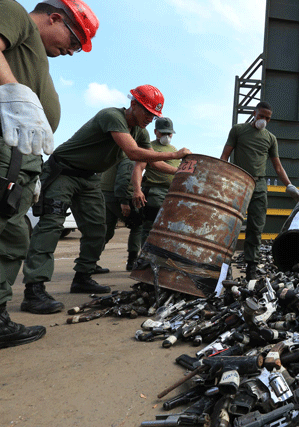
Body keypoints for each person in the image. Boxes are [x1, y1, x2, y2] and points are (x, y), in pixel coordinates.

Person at [20, 84, 192, 315]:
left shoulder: (140, 132)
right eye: (148, 112)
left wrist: (179, 170)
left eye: (154, 115)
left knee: (97, 229)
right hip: (64, 171)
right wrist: (174, 154)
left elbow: (149, 162)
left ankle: (82, 276)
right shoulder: (112, 116)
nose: (151, 119)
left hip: (89, 179)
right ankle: (34, 290)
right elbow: (133, 153)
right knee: (52, 225)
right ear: (134, 105)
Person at [0, 0, 98, 348]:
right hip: (7, 147)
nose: (71, 52)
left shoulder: (31, 51)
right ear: (56, 17)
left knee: (12, 234)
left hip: (21, 155)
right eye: (73, 42)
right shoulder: (13, 13)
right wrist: (13, 91)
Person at [220, 101, 299, 280]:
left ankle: (251, 269)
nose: (264, 120)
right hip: (239, 182)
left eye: (268, 118)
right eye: (261, 116)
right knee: (231, 224)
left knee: (256, 228)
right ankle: (222, 265)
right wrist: (223, 178)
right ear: (254, 113)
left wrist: (289, 185)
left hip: (259, 185)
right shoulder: (238, 130)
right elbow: (225, 156)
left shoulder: (270, 138)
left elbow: (278, 167)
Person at [131, 117, 181, 250]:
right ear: (155, 132)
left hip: (171, 194)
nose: (166, 136)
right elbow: (138, 168)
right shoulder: (149, 148)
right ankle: (146, 259)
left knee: (168, 228)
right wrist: (137, 190)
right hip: (154, 192)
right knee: (151, 227)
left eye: (169, 133)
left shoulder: (174, 150)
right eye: (163, 132)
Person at [99, 156, 143, 272]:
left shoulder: (115, 154)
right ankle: (132, 261)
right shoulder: (128, 157)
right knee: (138, 225)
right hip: (117, 197)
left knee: (106, 231)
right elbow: (123, 178)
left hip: (105, 196)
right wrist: (123, 201)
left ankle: (89, 263)